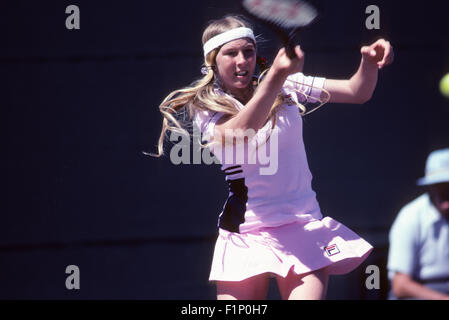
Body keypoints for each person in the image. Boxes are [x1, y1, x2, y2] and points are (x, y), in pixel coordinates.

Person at [153, 15, 394, 300]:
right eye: (231, 53)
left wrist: (369, 62)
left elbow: (357, 91)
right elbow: (241, 131)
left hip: (302, 225)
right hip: (244, 234)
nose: (242, 60)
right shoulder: (205, 107)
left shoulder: (289, 85)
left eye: (248, 51)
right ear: (212, 62)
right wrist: (277, 77)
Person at [387, 148, 449, 300]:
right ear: (430, 186)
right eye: (440, 185)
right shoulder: (410, 216)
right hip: (419, 290)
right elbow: (400, 285)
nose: (445, 191)